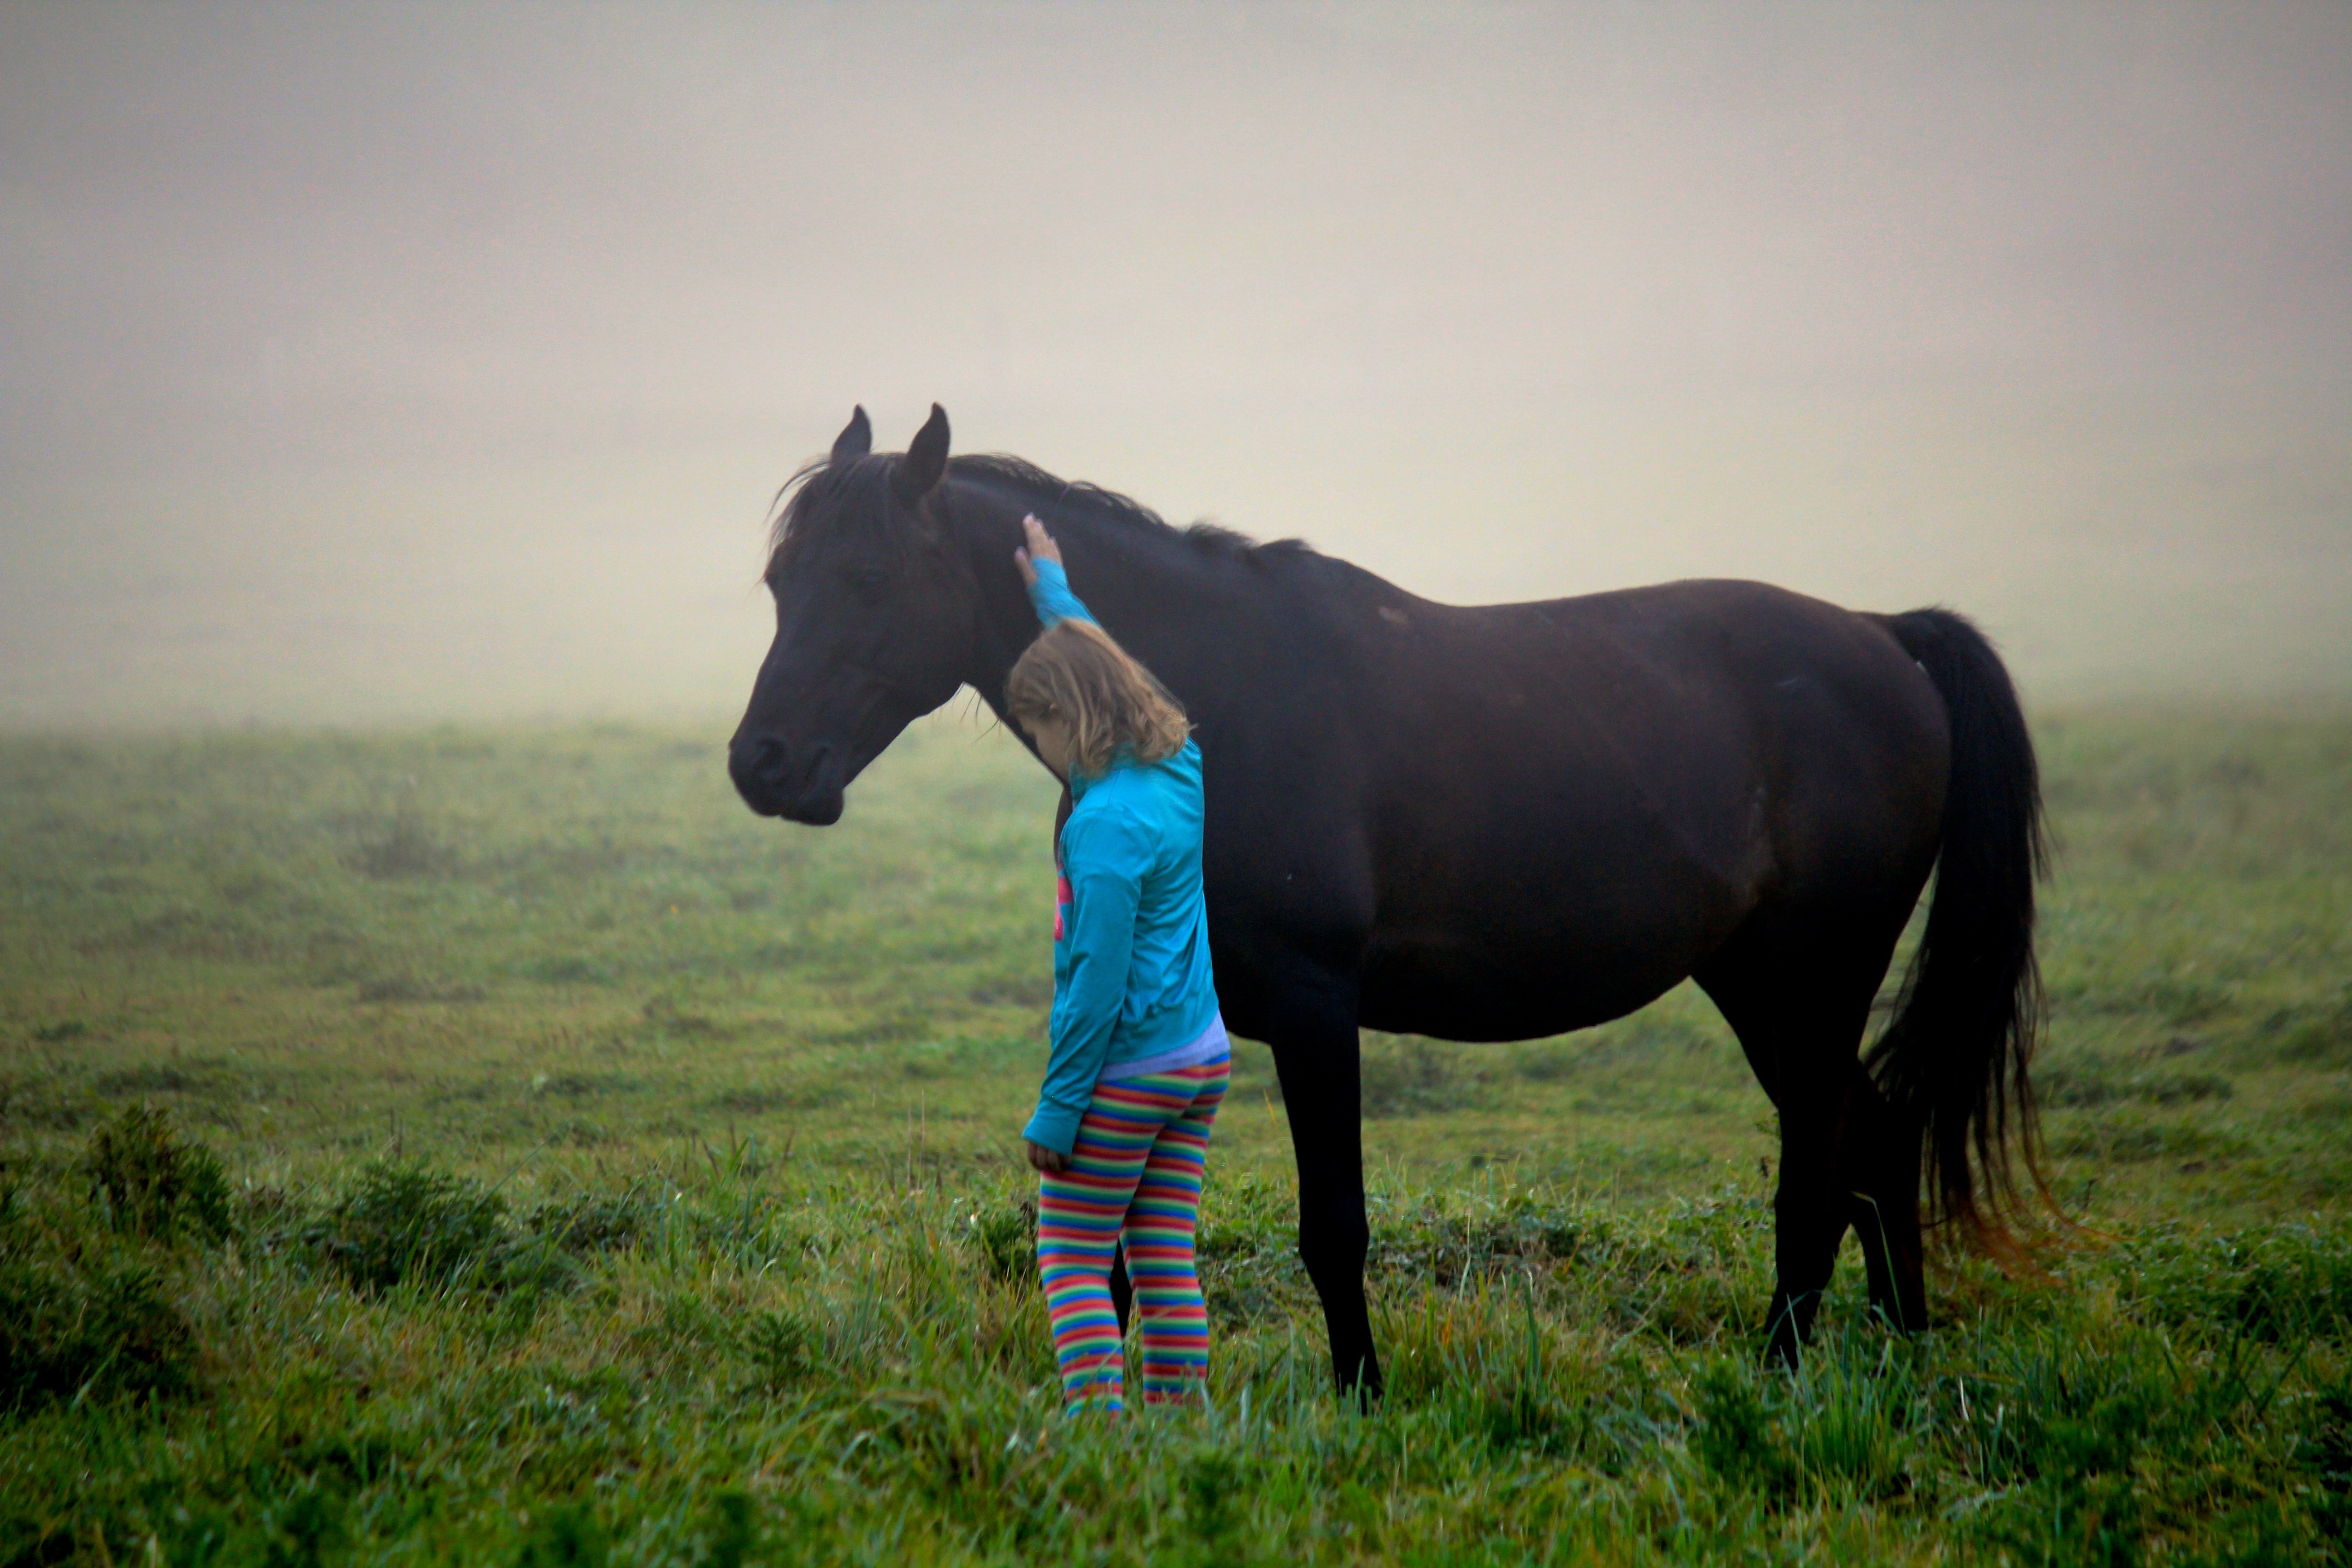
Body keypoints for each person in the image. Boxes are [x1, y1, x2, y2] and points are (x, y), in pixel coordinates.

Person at [1006, 514, 1229, 1412]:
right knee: (1164, 1253)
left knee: (1071, 1258)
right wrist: (1054, 594)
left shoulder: (1101, 830)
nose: (1040, 751)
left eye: (1039, 732)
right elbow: (1115, 667)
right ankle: (1180, 1427)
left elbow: (1095, 985)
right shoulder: (1180, 766)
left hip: (1127, 1072)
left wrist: (1060, 1109)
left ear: (1073, 720)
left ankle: (1099, 1439)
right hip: (1199, 1058)